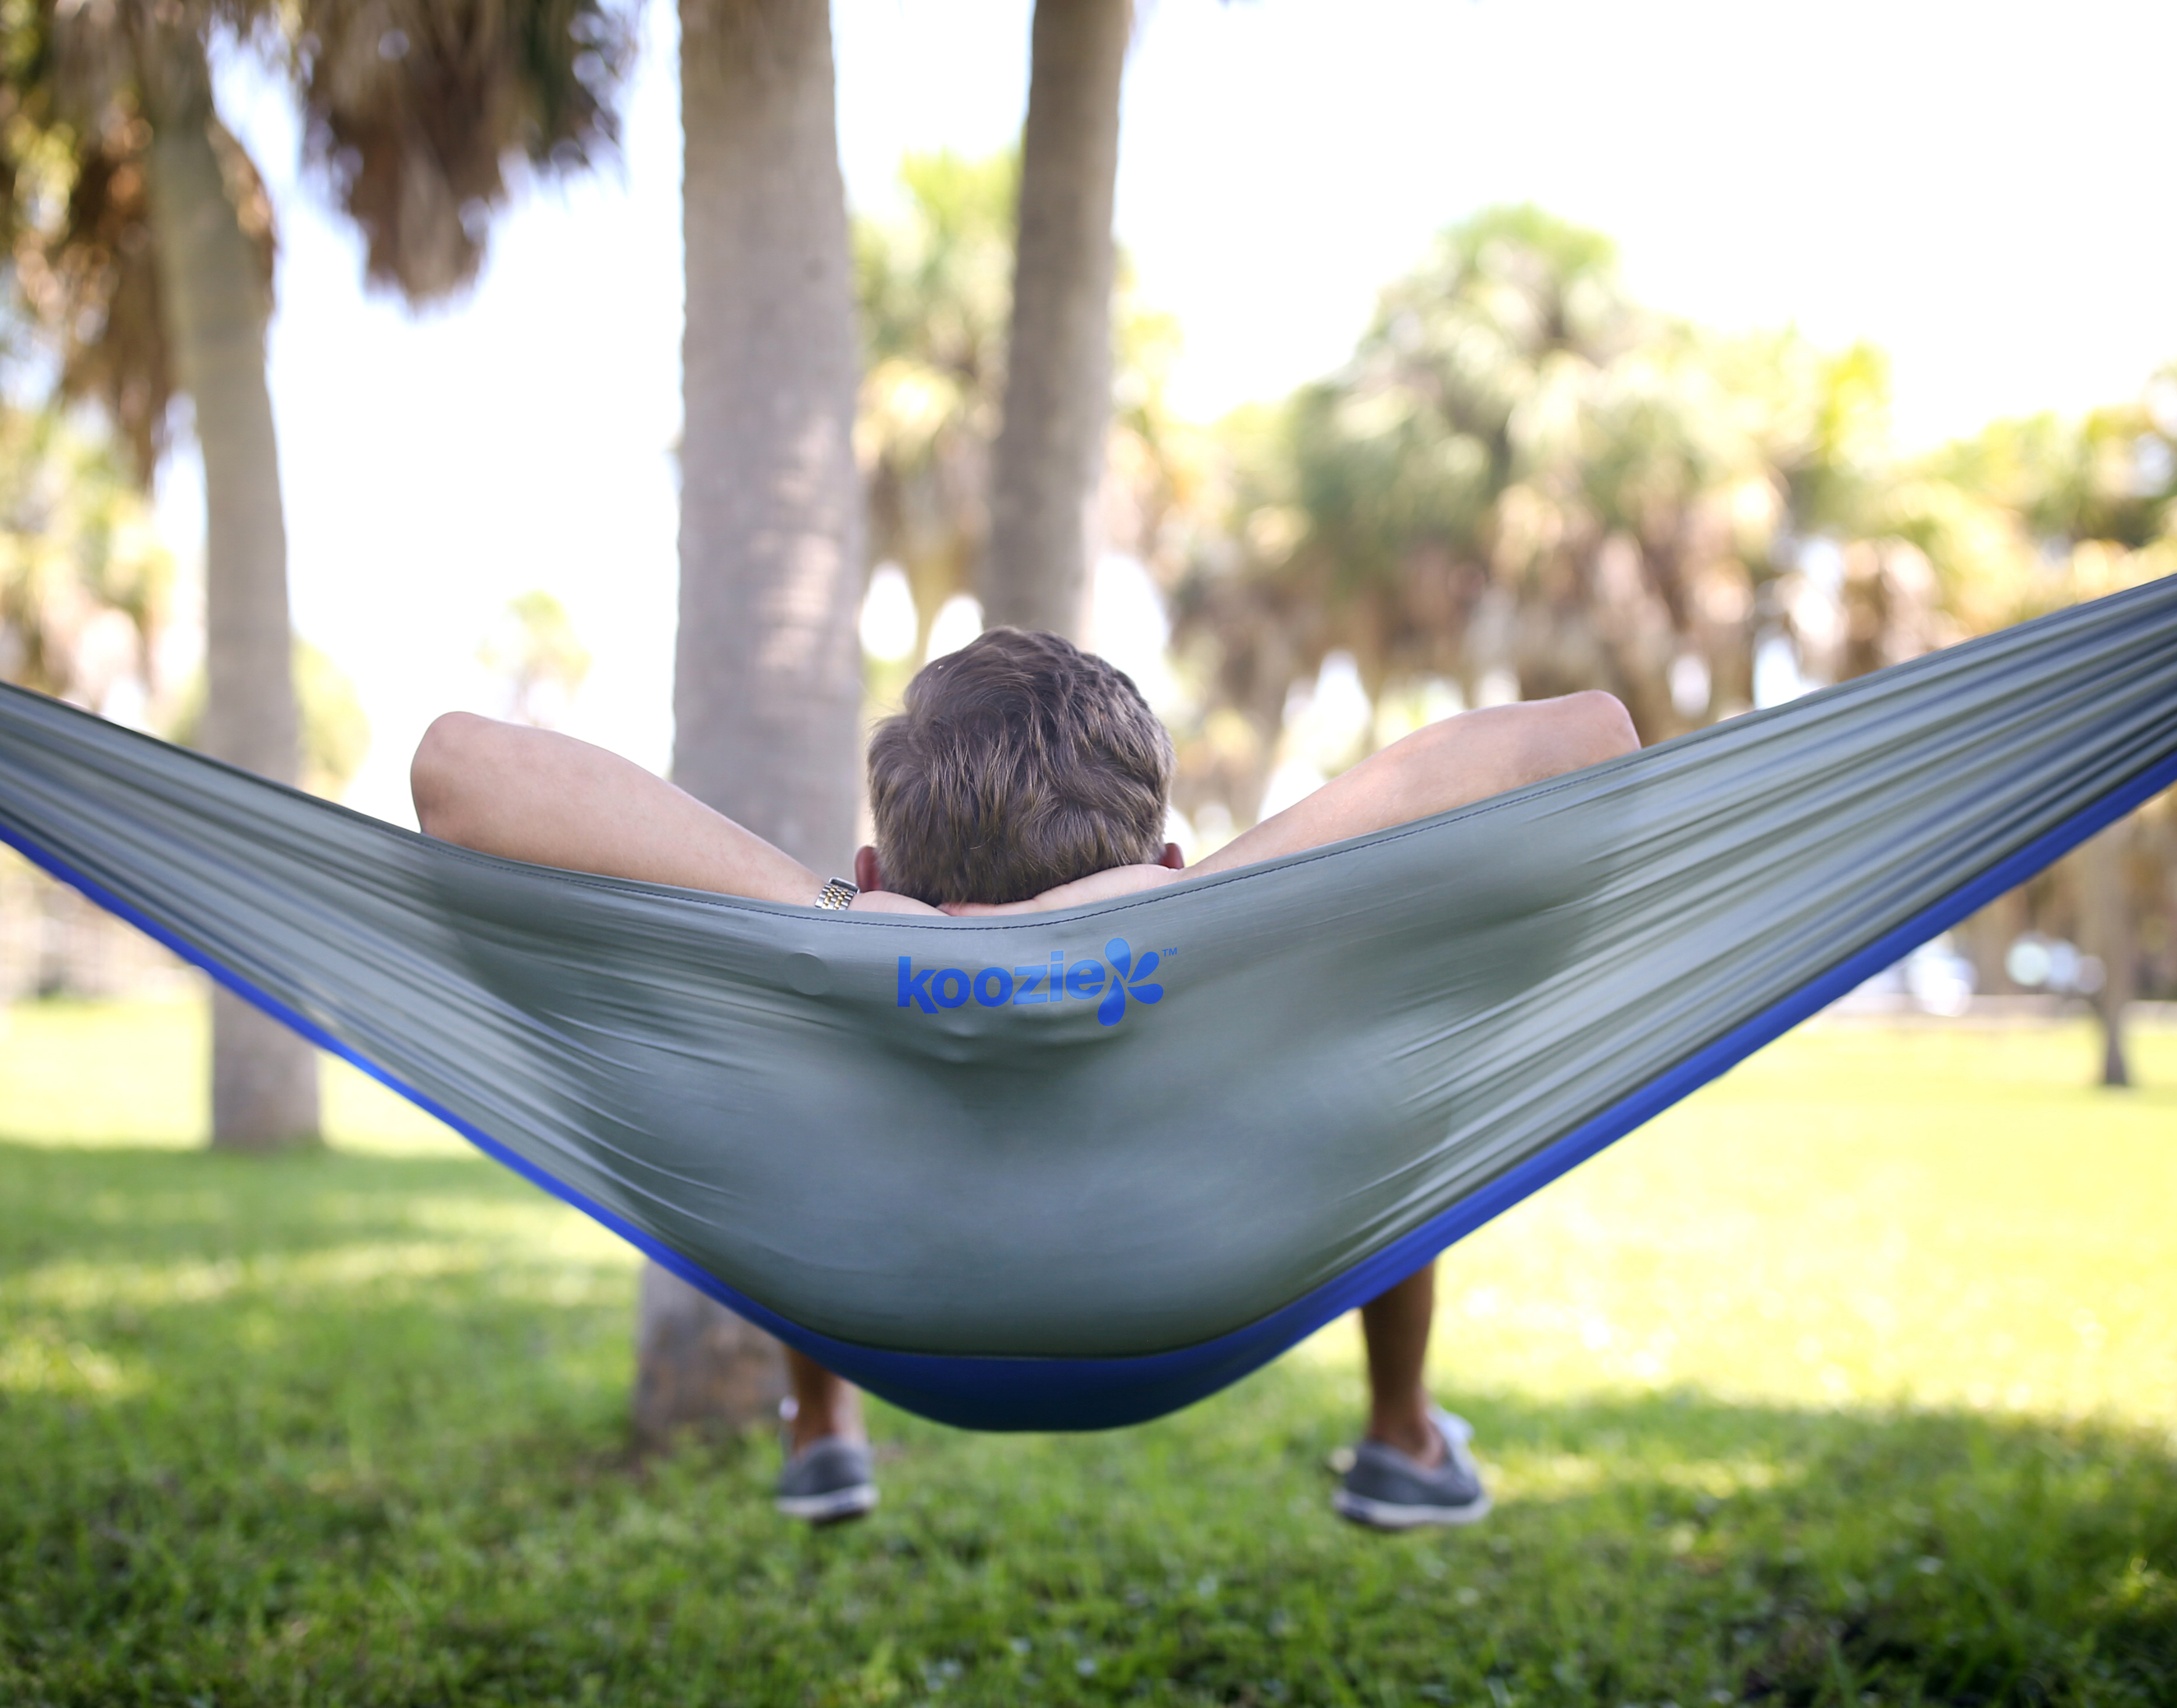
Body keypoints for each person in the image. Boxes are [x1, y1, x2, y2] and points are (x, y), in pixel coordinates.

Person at [411, 628, 1638, 1530]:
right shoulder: (1214, 965)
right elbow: (1588, 739)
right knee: (1375, 1043)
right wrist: (1202, 902)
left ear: (875, 861)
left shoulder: (846, 960)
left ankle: (826, 1422)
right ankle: (1402, 1436)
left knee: (787, 1066)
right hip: (1192, 1305)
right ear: (1162, 854)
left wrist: (846, 921)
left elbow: (458, 768)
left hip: (886, 1312)